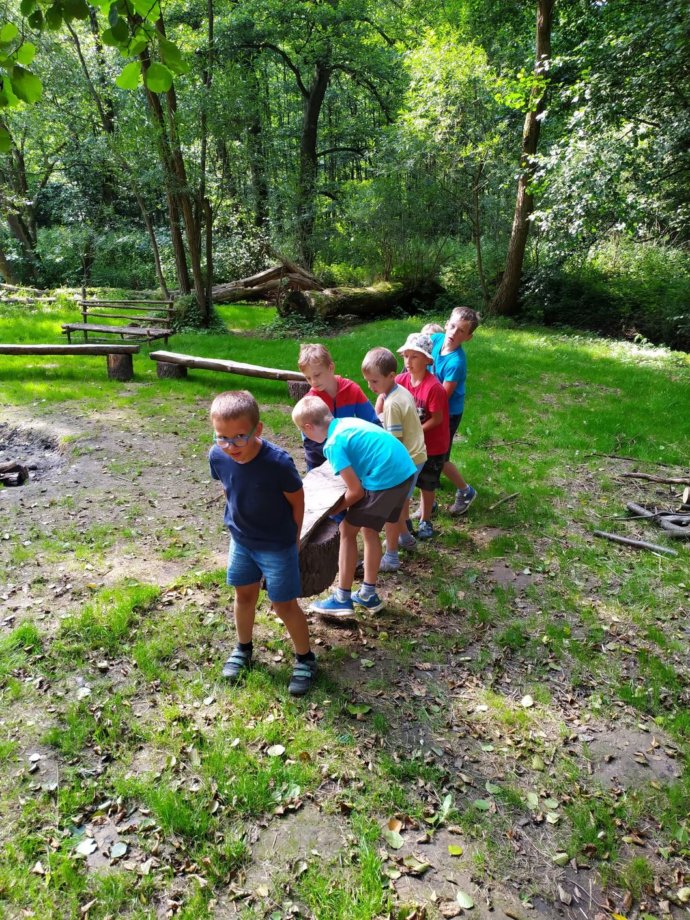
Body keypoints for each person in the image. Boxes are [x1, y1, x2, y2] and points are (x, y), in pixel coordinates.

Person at [209, 390, 317, 696]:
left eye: (239, 437)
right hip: (241, 541)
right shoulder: (217, 455)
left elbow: (297, 501)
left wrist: (294, 539)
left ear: (257, 429)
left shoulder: (277, 463)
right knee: (243, 595)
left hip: (277, 546)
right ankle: (243, 648)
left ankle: (306, 658)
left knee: (283, 604)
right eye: (222, 438)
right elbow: (229, 488)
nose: (231, 446)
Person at [291, 396, 415, 618]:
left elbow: (355, 492)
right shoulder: (346, 423)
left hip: (386, 478)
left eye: (303, 431)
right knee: (369, 531)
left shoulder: (333, 444)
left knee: (347, 530)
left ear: (308, 427)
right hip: (403, 471)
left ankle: (342, 598)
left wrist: (332, 511)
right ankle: (368, 593)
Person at [361, 346, 426, 571]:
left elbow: (394, 444)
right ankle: (406, 538)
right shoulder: (400, 391)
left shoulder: (391, 404)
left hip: (406, 460)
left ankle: (391, 557)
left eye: (374, 381)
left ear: (391, 376)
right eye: (367, 381)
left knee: (391, 509)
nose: (370, 386)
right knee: (398, 504)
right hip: (416, 455)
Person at [395, 332, 450, 541]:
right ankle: (405, 520)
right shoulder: (400, 381)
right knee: (406, 483)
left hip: (433, 445)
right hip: (410, 445)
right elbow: (385, 395)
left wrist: (414, 431)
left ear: (427, 360)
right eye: (405, 356)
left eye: (414, 356)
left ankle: (426, 519)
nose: (408, 362)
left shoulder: (434, 387)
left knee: (427, 483)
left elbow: (437, 419)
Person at [297, 343, 380, 471]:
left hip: (349, 454)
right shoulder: (310, 401)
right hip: (319, 462)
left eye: (317, 375)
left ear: (331, 367)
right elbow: (310, 440)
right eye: (308, 378)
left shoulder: (351, 389)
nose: (313, 382)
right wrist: (342, 454)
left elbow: (373, 422)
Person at [429, 307, 479, 515]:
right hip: (429, 406)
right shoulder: (436, 340)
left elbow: (442, 397)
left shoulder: (456, 362)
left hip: (447, 413)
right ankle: (428, 500)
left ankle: (466, 491)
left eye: (461, 331)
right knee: (427, 455)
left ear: (468, 337)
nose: (453, 333)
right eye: (452, 326)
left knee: (439, 458)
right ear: (446, 324)